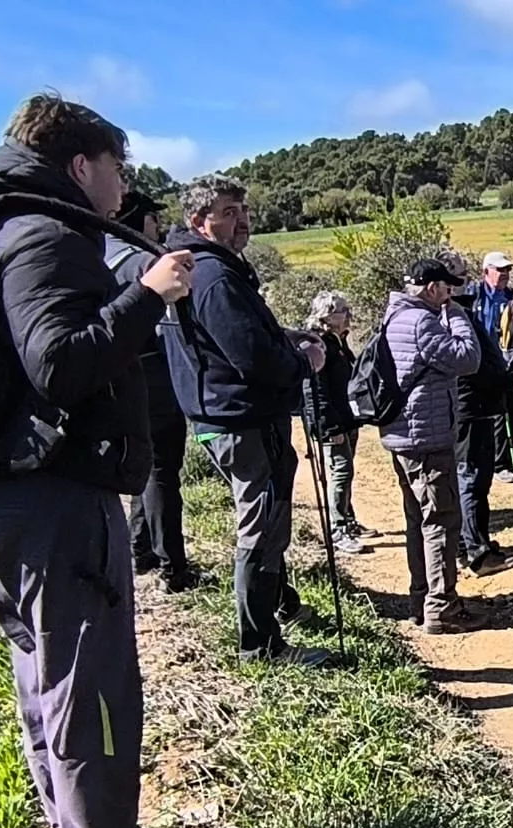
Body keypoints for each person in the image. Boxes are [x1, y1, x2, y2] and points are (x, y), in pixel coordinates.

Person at [0, 93, 194, 828]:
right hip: (58, 503)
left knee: (51, 690)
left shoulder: (3, 229)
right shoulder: (43, 236)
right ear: (80, 164)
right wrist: (148, 295)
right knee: (90, 696)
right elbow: (59, 363)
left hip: (19, 501)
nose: (123, 184)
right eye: (117, 167)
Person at [163, 175, 331, 665]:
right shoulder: (214, 276)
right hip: (241, 417)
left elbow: (241, 334)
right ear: (200, 221)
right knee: (261, 527)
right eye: (229, 213)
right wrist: (305, 363)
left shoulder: (200, 266)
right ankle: (261, 647)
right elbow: (252, 357)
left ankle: (277, 609)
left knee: (267, 520)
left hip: (227, 413)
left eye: (244, 210)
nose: (242, 221)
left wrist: (287, 336)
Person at [380, 258, 487, 633]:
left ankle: (421, 599)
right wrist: (456, 314)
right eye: (447, 288)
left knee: (418, 520)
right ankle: (442, 608)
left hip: (403, 434)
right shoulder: (421, 321)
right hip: (426, 435)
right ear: (432, 288)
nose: (450, 294)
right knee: (441, 521)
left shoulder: (393, 316)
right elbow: (468, 359)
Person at [106, 191, 199, 593]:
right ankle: (172, 566)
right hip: (151, 374)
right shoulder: (135, 258)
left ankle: (140, 550)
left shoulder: (97, 249)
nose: (157, 226)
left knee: (145, 467)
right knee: (163, 472)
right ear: (135, 218)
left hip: (123, 374)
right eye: (151, 218)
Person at [453, 264, 513, 577]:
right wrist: (509, 380)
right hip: (469, 408)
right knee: (472, 478)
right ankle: (476, 552)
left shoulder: (457, 312)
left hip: (471, 407)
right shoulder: (455, 315)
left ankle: (471, 543)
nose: (462, 280)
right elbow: (473, 368)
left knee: (472, 478)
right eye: (456, 276)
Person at [301, 290, 374, 556]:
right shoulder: (317, 344)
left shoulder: (337, 341)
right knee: (341, 471)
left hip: (346, 418)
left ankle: (348, 520)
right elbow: (314, 390)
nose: (348, 314)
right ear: (327, 316)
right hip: (332, 422)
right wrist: (328, 427)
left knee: (347, 470)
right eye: (343, 310)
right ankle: (338, 530)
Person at [466, 251, 513, 482]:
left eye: (507, 270)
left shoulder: (512, 298)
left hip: (507, 362)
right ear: (486, 271)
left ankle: (508, 461)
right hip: (480, 365)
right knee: (495, 415)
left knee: (512, 414)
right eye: (500, 269)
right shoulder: (473, 295)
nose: (505, 274)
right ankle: (499, 463)